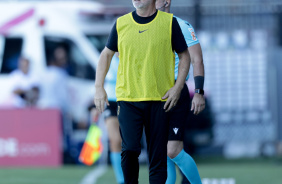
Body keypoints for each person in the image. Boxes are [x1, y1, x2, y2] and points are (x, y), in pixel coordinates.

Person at [94, 0, 191, 183]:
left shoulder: (169, 22)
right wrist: (99, 87)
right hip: (128, 100)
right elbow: (106, 55)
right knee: (129, 149)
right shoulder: (121, 23)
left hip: (160, 100)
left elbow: (184, 55)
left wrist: (178, 87)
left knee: (157, 156)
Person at [155, 0, 205, 184]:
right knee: (161, 152)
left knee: (173, 150)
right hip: (153, 95)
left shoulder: (182, 26)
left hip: (176, 93)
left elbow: (197, 60)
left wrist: (199, 92)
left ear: (166, 1)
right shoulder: (145, 28)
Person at [90, 54, 124, 184]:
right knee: (115, 140)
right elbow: (99, 80)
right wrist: (95, 105)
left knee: (131, 142)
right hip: (111, 101)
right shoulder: (106, 54)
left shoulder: (131, 49)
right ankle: (122, 180)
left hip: (130, 100)